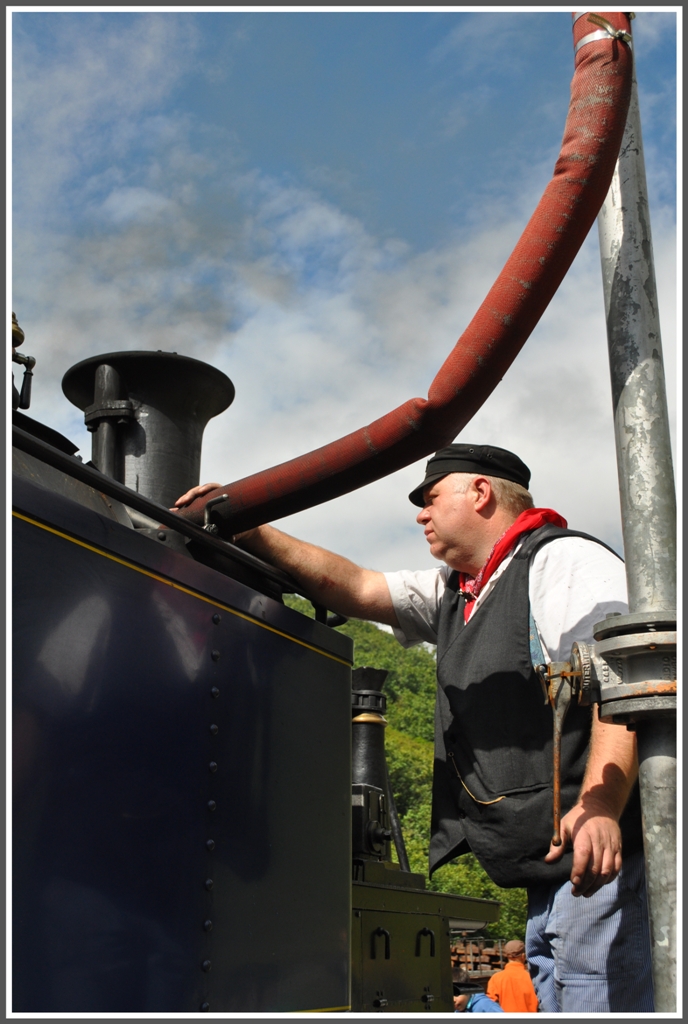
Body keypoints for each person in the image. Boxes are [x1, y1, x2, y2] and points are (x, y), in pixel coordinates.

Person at [175, 443, 652, 1013]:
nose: (420, 515)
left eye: (430, 499)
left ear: (479, 493)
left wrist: (602, 803)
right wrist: (249, 529)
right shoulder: (458, 591)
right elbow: (357, 587)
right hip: (549, 872)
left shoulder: (561, 560)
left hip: (610, 860)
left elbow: (622, 676)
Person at [486, 940, 538, 1012]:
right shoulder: (533, 977)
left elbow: (489, 1005)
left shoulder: (496, 978)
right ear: (523, 956)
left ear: (507, 956)